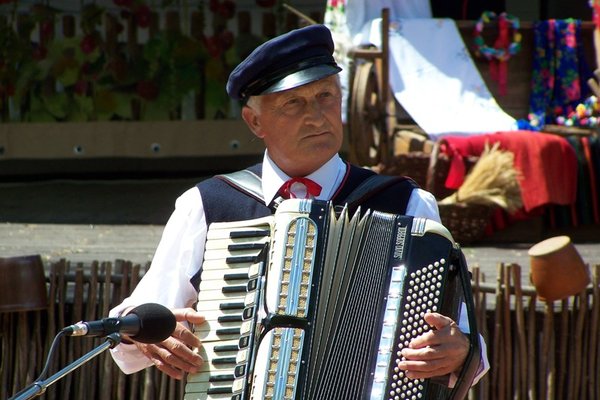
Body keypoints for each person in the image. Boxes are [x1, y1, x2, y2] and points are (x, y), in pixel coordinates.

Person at [109, 24, 489, 388]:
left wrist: (459, 352)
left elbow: (464, 344)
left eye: (326, 96)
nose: (316, 115)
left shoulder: (406, 203)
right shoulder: (207, 206)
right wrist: (142, 335)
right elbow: (134, 323)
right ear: (254, 121)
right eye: (293, 102)